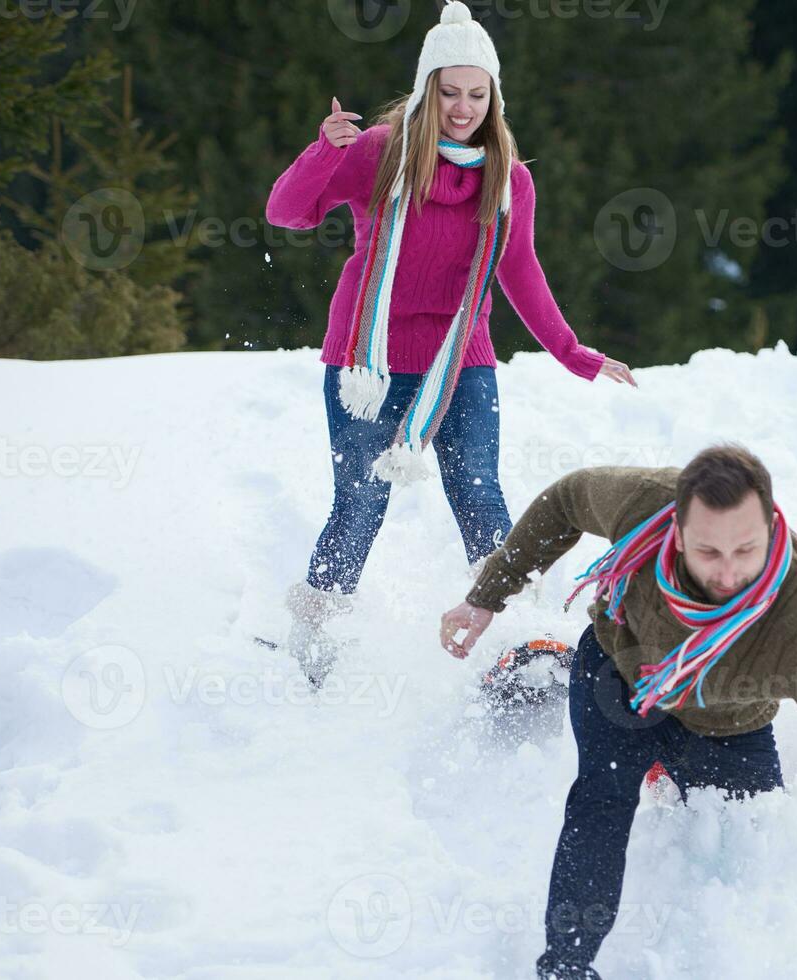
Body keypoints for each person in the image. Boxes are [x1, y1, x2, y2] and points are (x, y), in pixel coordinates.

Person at [439, 445, 797, 980]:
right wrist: (487, 595)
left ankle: (656, 750)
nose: (728, 574)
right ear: (677, 530)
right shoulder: (646, 501)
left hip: (727, 723)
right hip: (621, 670)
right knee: (603, 802)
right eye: (708, 551)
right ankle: (564, 965)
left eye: (745, 550)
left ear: (771, 528)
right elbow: (566, 499)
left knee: (748, 840)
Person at [265, 1, 636, 683]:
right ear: (426, 88)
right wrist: (325, 149)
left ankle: (517, 639)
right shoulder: (377, 151)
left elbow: (518, 269)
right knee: (359, 501)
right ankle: (312, 639)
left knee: (478, 491)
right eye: (448, 91)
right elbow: (287, 212)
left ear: (492, 97)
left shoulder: (507, 176)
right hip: (365, 361)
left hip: (459, 357)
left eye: (476, 94)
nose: (462, 107)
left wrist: (574, 353)